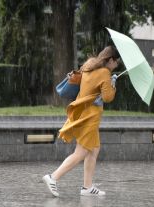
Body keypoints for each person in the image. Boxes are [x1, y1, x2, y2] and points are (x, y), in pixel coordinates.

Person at [43, 46, 120, 197]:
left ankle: (87, 187)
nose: (116, 65)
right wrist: (112, 84)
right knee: (81, 152)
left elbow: (89, 89)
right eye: (116, 62)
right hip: (90, 117)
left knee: (94, 149)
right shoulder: (104, 72)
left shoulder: (89, 65)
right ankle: (53, 177)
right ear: (110, 60)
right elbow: (107, 97)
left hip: (83, 112)